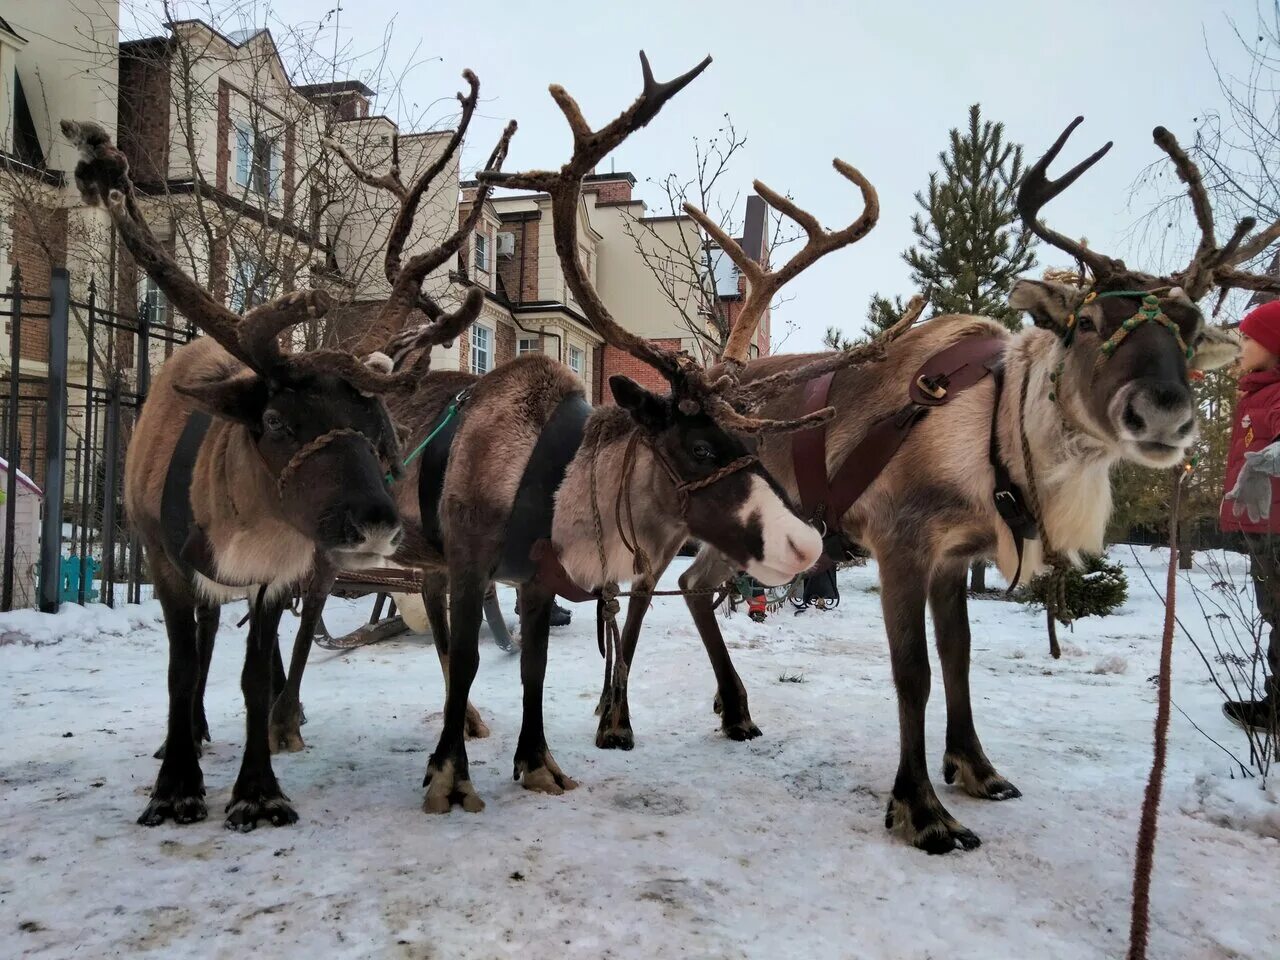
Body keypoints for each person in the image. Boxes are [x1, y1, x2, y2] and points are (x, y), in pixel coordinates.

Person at [1220, 300, 1280, 733]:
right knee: (1274, 611)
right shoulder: (1259, 390)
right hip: (1265, 523)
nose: (1240, 344)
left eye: (1247, 337)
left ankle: (1278, 708)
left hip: (1279, 527)